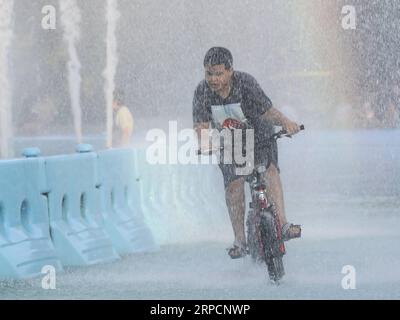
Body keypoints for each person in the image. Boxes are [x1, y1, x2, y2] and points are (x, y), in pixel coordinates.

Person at [192, 47, 302, 259]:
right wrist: (205, 143)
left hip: (259, 137)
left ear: (230, 70)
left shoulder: (246, 83)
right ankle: (240, 241)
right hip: (229, 143)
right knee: (233, 185)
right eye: (208, 73)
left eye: (218, 73)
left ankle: (284, 224)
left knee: (270, 172)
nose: (213, 79)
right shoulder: (202, 91)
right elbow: (201, 124)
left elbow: (268, 111)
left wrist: (286, 122)